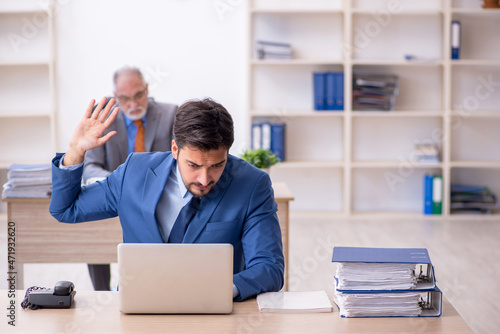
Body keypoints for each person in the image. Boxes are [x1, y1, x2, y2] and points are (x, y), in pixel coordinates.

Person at [49, 97, 284, 301]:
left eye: (217, 165)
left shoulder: (252, 185)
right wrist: (75, 150)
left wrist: (222, 290)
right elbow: (66, 209)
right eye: (193, 165)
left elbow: (269, 268)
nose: (204, 178)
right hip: (139, 307)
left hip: (212, 311)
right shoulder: (134, 173)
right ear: (174, 149)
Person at [84, 66, 177, 291]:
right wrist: (121, 184)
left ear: (147, 89)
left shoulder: (170, 114)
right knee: (94, 229)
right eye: (124, 99)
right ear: (115, 97)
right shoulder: (103, 116)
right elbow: (90, 166)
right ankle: (101, 293)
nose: (133, 105)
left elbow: (180, 162)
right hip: (116, 199)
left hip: (156, 200)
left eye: (138, 96)